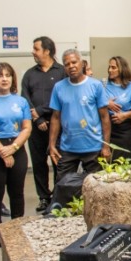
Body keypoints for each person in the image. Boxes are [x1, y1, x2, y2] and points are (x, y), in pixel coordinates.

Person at [48, 49, 111, 179]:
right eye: (67, 64)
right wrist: (52, 145)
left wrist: (106, 146)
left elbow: (105, 117)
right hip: (68, 148)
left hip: (93, 147)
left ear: (82, 63)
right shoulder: (59, 87)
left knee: (95, 188)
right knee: (63, 186)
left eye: (74, 62)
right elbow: (55, 117)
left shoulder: (96, 85)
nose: (71, 66)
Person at [0, 63, 32, 242]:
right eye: (0, 75)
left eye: (8, 75)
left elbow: (27, 128)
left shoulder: (21, 101)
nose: (4, 79)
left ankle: (17, 226)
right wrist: (2, 151)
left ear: (13, 78)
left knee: (17, 192)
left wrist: (13, 148)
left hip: (17, 148)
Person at [21, 36, 66, 212]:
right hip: (36, 128)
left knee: (59, 162)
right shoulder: (30, 74)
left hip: (58, 127)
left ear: (47, 51)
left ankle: (57, 195)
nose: (33, 52)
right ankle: (43, 197)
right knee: (39, 164)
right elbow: (25, 98)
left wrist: (41, 110)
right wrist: (38, 119)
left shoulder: (62, 72)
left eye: (36, 49)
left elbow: (63, 99)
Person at [105, 56, 131, 160]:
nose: (110, 70)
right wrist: (106, 103)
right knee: (110, 159)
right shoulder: (103, 85)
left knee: (125, 159)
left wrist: (124, 116)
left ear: (122, 69)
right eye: (109, 67)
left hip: (125, 129)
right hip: (108, 127)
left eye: (113, 67)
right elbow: (94, 101)